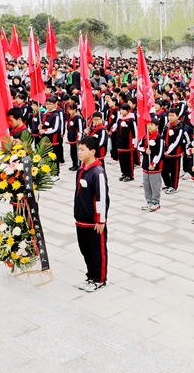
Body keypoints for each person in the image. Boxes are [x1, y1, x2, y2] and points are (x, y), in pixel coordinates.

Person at [74, 136, 110, 293]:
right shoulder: (81, 169)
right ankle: (90, 275)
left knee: (97, 251)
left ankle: (100, 279)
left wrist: (101, 220)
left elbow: (102, 197)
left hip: (94, 221)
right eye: (79, 149)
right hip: (81, 219)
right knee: (85, 250)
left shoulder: (98, 172)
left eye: (82, 149)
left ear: (93, 151)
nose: (79, 152)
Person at [139, 118, 164, 211]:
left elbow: (160, 152)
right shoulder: (146, 136)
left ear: (157, 126)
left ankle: (156, 202)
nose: (149, 126)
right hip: (146, 163)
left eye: (152, 125)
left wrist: (153, 163)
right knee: (146, 184)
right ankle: (148, 201)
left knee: (155, 184)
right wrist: (145, 150)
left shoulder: (159, 138)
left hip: (154, 165)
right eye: (149, 124)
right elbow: (139, 146)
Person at [161, 108, 186, 194]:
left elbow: (177, 141)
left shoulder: (179, 128)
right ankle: (168, 184)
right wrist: (163, 149)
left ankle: (174, 186)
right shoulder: (167, 125)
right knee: (164, 170)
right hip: (165, 151)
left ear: (177, 117)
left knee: (174, 171)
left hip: (174, 153)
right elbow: (163, 137)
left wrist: (168, 151)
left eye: (172, 116)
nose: (170, 117)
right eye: (169, 115)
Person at [41, 96, 64, 179]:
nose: (48, 106)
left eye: (50, 104)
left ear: (55, 104)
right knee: (48, 157)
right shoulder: (46, 114)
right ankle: (49, 171)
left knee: (54, 157)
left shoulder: (55, 115)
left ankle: (56, 174)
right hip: (46, 140)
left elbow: (55, 128)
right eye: (47, 104)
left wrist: (45, 131)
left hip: (54, 140)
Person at [114, 103, 136, 182]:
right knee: (122, 159)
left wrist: (134, 142)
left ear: (128, 111)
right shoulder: (120, 119)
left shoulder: (131, 120)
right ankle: (124, 173)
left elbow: (134, 131)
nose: (122, 111)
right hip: (121, 142)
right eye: (121, 110)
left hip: (128, 143)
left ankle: (130, 174)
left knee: (128, 159)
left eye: (124, 110)